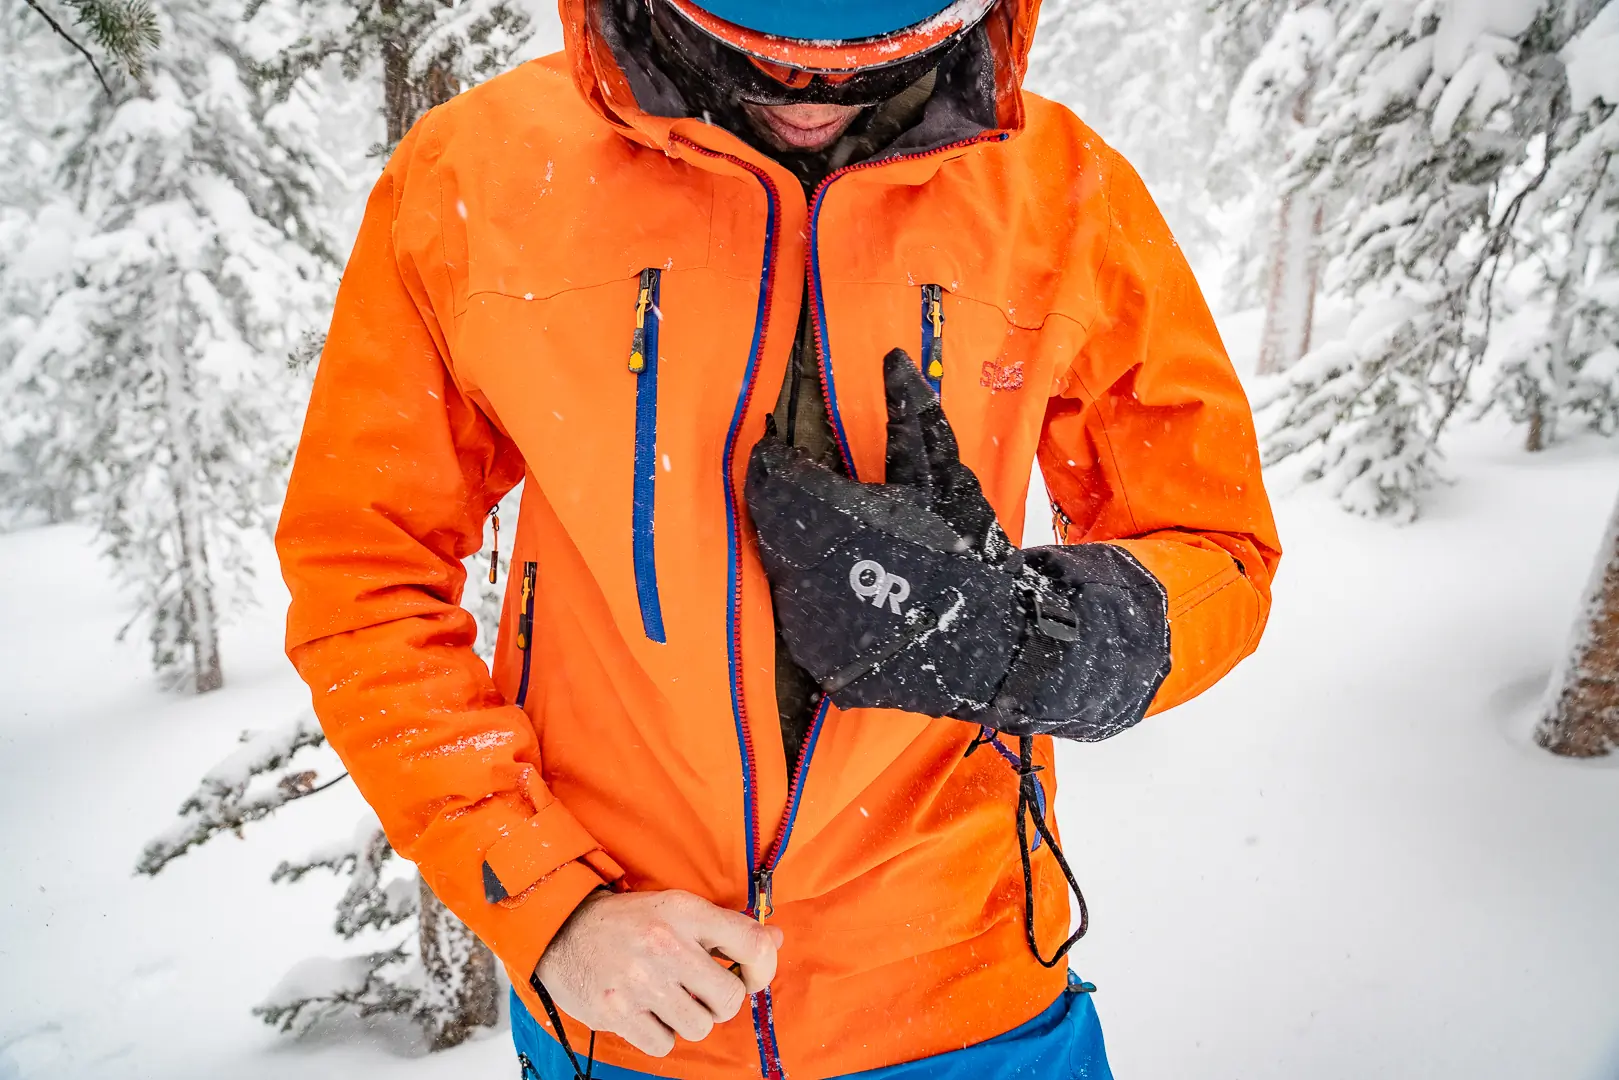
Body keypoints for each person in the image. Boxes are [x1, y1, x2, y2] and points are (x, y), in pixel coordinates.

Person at [275, 0, 1283, 1076]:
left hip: (969, 999)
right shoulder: (476, 177)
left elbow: (1213, 544)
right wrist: (548, 902)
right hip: (636, 1006)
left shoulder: (1061, 196)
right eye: (758, 63)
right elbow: (363, 577)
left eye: (862, 73)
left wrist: (1031, 637)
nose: (807, 106)